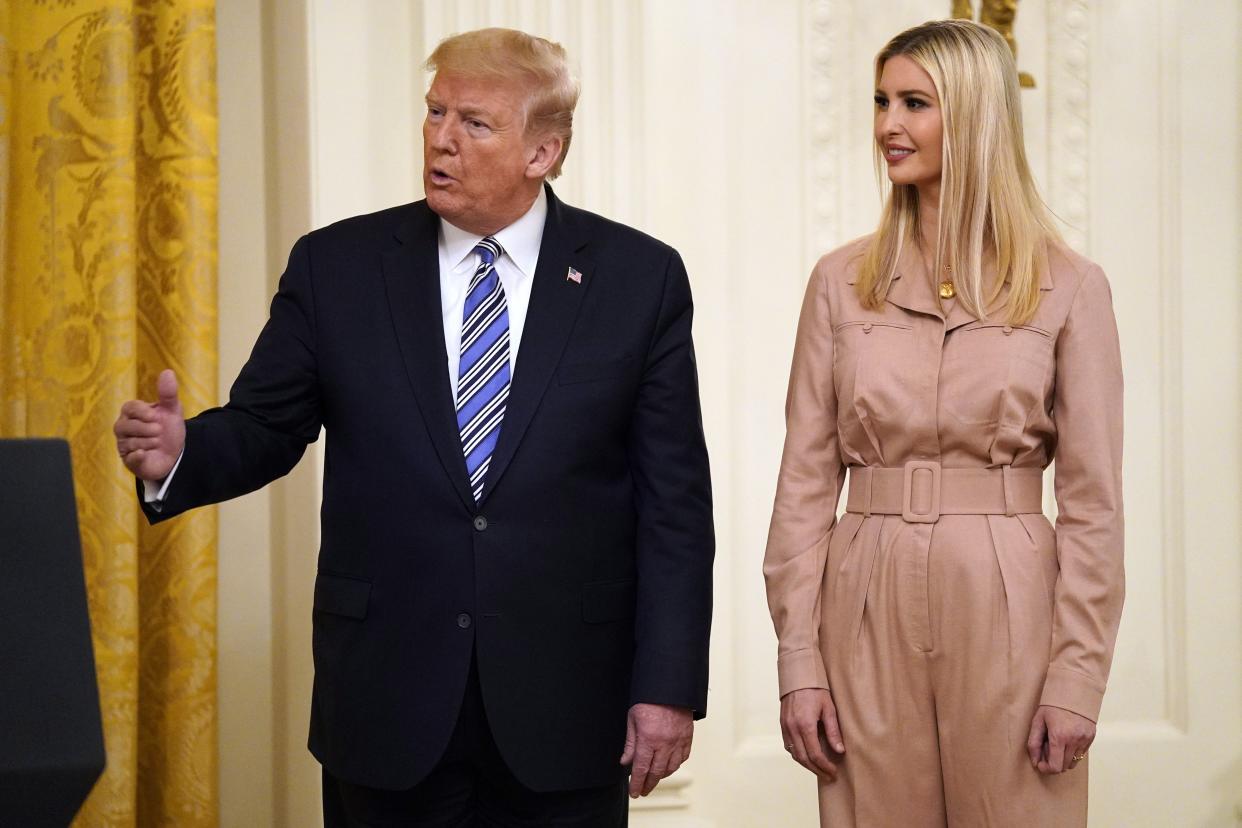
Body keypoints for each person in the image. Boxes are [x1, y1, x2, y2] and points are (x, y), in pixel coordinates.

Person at [113, 28, 714, 827]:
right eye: (435, 112)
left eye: (474, 122)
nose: (441, 138)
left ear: (543, 152)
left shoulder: (638, 278)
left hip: (565, 707)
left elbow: (675, 505)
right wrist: (183, 453)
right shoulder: (339, 267)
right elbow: (265, 424)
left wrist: (667, 687)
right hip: (388, 699)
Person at [763, 19, 1123, 827]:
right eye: (882, 101)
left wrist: (1076, 678)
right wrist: (799, 662)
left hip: (1008, 595)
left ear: (975, 116)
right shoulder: (837, 282)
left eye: (915, 103)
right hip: (863, 592)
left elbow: (1095, 505)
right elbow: (803, 488)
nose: (888, 124)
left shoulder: (1068, 286)